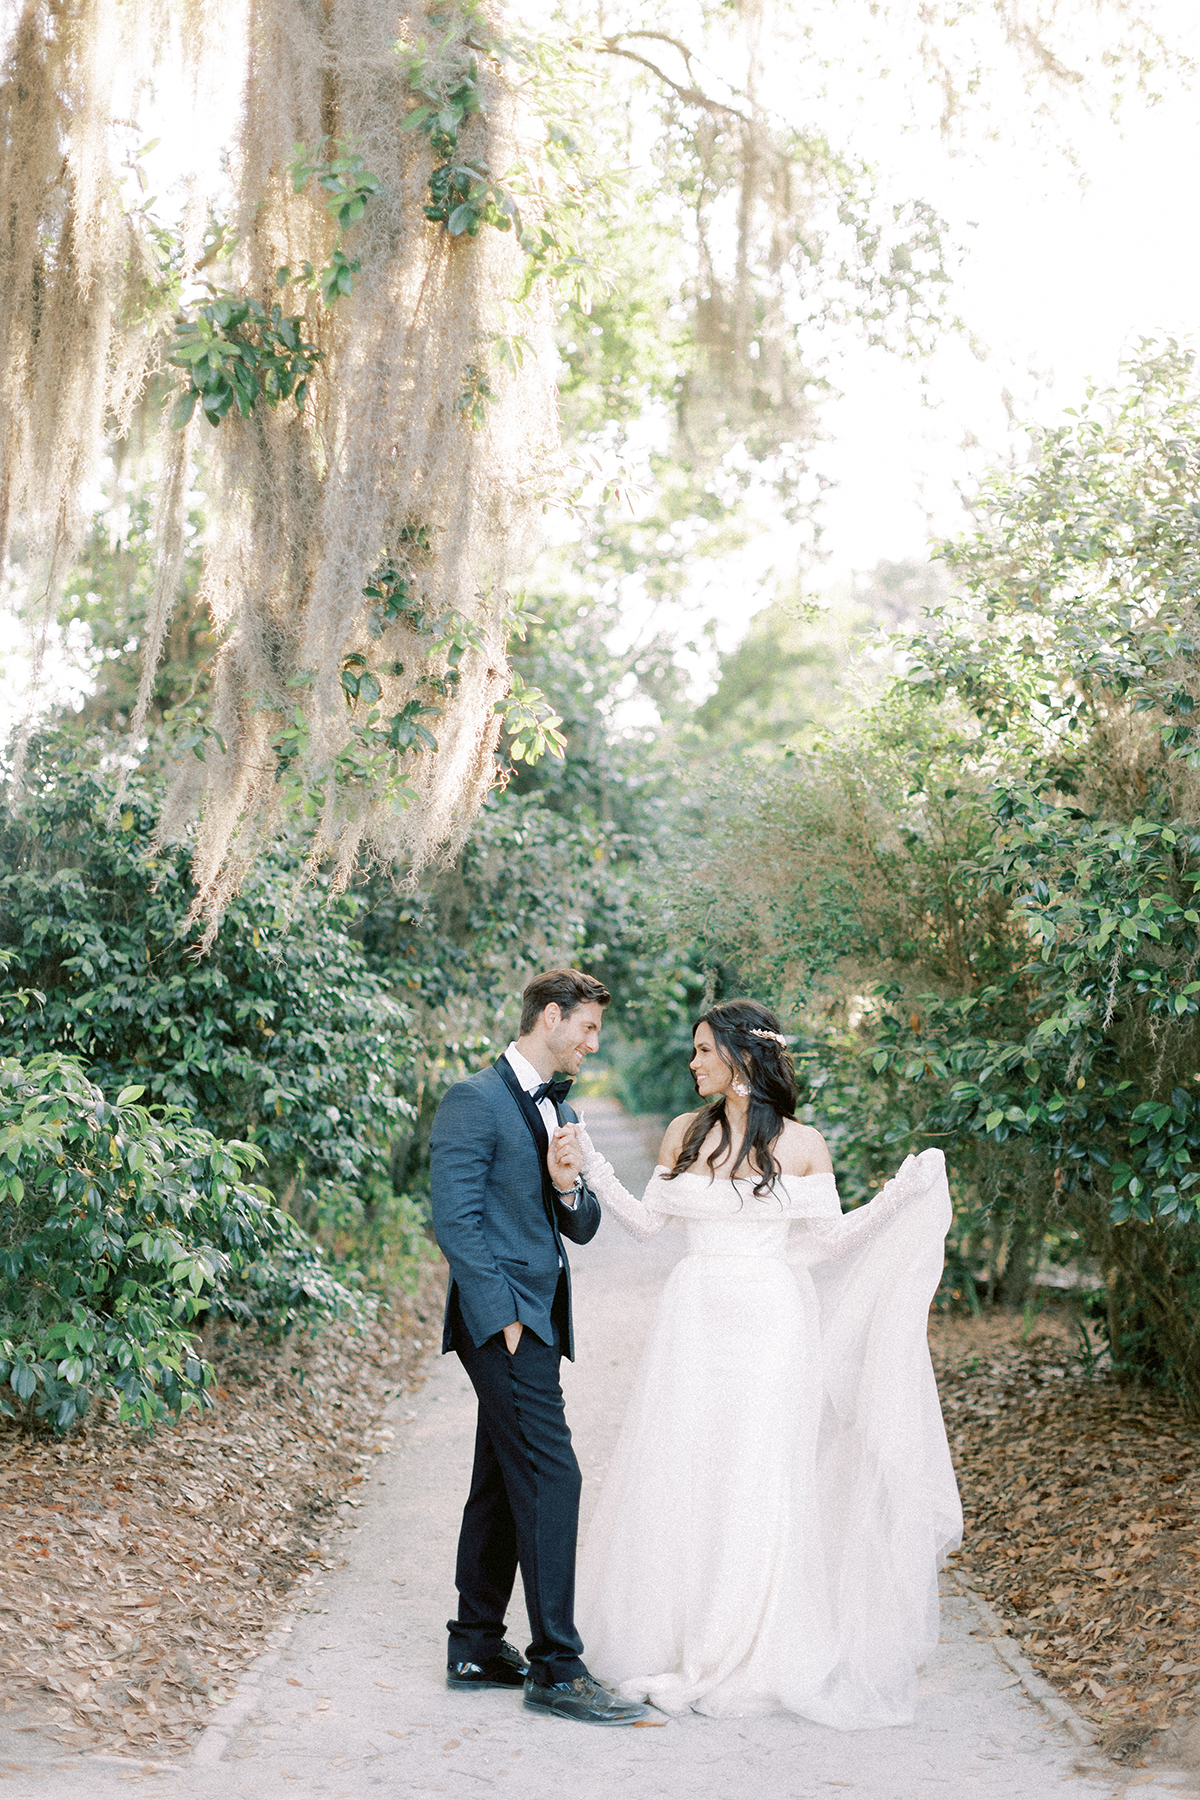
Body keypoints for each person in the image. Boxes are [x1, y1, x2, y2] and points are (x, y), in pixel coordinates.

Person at [565, 997, 963, 1727]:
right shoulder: (686, 1134)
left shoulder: (805, 1146)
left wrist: (902, 1193)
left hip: (771, 1327)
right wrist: (590, 1162)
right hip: (695, 1321)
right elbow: (648, 1225)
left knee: (758, 1474)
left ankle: (755, 1642)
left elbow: (835, 1241)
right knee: (688, 1470)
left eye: (704, 1052)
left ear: (743, 1061)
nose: (692, 1063)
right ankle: (684, 1633)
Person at [429, 968, 648, 1726]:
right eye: (585, 1028)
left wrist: (563, 1184)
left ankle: (476, 1644)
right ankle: (557, 1667)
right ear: (549, 1017)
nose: (592, 1043)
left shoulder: (562, 1109)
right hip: (505, 1324)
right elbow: (455, 1222)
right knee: (555, 1478)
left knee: (500, 1476)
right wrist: (506, 1320)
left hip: (542, 1321)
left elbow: (580, 1226)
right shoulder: (473, 1100)